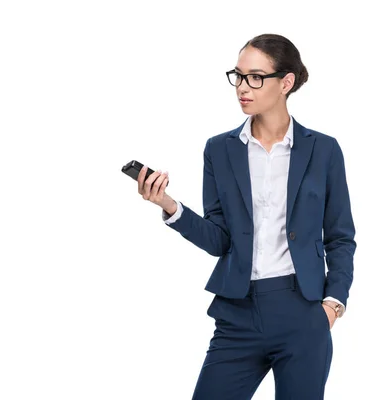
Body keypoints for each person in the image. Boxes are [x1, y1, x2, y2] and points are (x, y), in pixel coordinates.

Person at [136, 33, 356, 400]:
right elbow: (219, 239)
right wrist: (170, 207)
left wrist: (333, 304)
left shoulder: (324, 150)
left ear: (285, 83)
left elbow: (340, 236)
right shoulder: (219, 150)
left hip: (302, 311)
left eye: (255, 77)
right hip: (238, 312)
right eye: (238, 76)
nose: (242, 87)